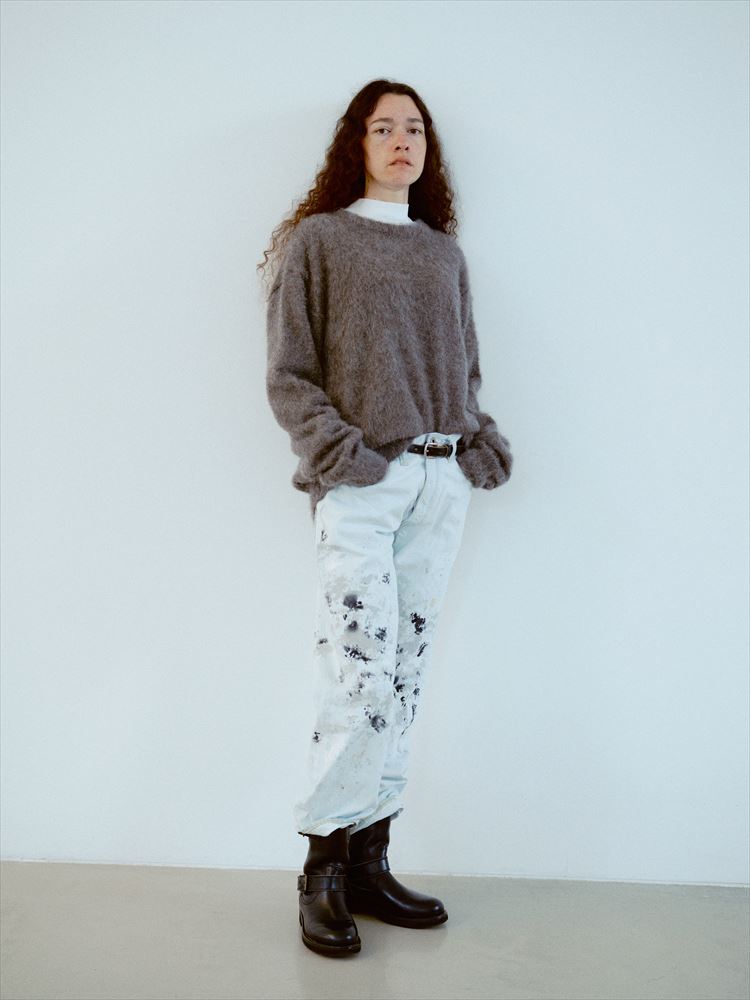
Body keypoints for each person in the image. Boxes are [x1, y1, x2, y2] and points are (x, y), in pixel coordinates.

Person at [259, 79, 513, 957]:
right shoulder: (322, 241)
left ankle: (371, 862)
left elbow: (464, 368)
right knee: (359, 674)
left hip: (441, 486)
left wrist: (476, 438)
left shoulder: (443, 255)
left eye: (415, 128)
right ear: (356, 144)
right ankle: (322, 869)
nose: (402, 140)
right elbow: (290, 373)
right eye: (383, 127)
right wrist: (347, 457)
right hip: (363, 486)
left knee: (404, 677)